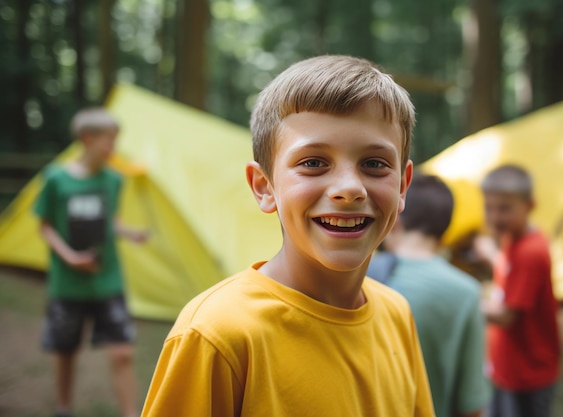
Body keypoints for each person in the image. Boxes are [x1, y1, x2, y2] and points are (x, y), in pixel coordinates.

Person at [141, 55, 435, 417]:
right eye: (313, 163)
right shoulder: (217, 334)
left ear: (403, 186)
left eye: (374, 164)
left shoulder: (396, 314)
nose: (349, 188)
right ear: (264, 187)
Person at [35, 108, 149, 417]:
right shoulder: (55, 179)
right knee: (66, 352)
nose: (113, 147)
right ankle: (63, 408)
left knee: (123, 352)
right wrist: (70, 257)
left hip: (108, 280)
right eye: (108, 140)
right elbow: (44, 225)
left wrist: (130, 233)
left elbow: (109, 221)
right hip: (67, 283)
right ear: (87, 139)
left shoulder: (113, 180)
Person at [368, 174, 491, 417]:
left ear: (395, 221)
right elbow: (472, 402)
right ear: (445, 230)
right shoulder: (466, 292)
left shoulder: (357, 275)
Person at [475, 164, 561, 417]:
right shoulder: (517, 236)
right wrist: (492, 255)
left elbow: (506, 316)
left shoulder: (530, 252)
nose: (495, 217)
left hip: (527, 373)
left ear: (529, 206)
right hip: (510, 365)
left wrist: (463, 303)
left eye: (504, 208)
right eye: (489, 207)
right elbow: (509, 270)